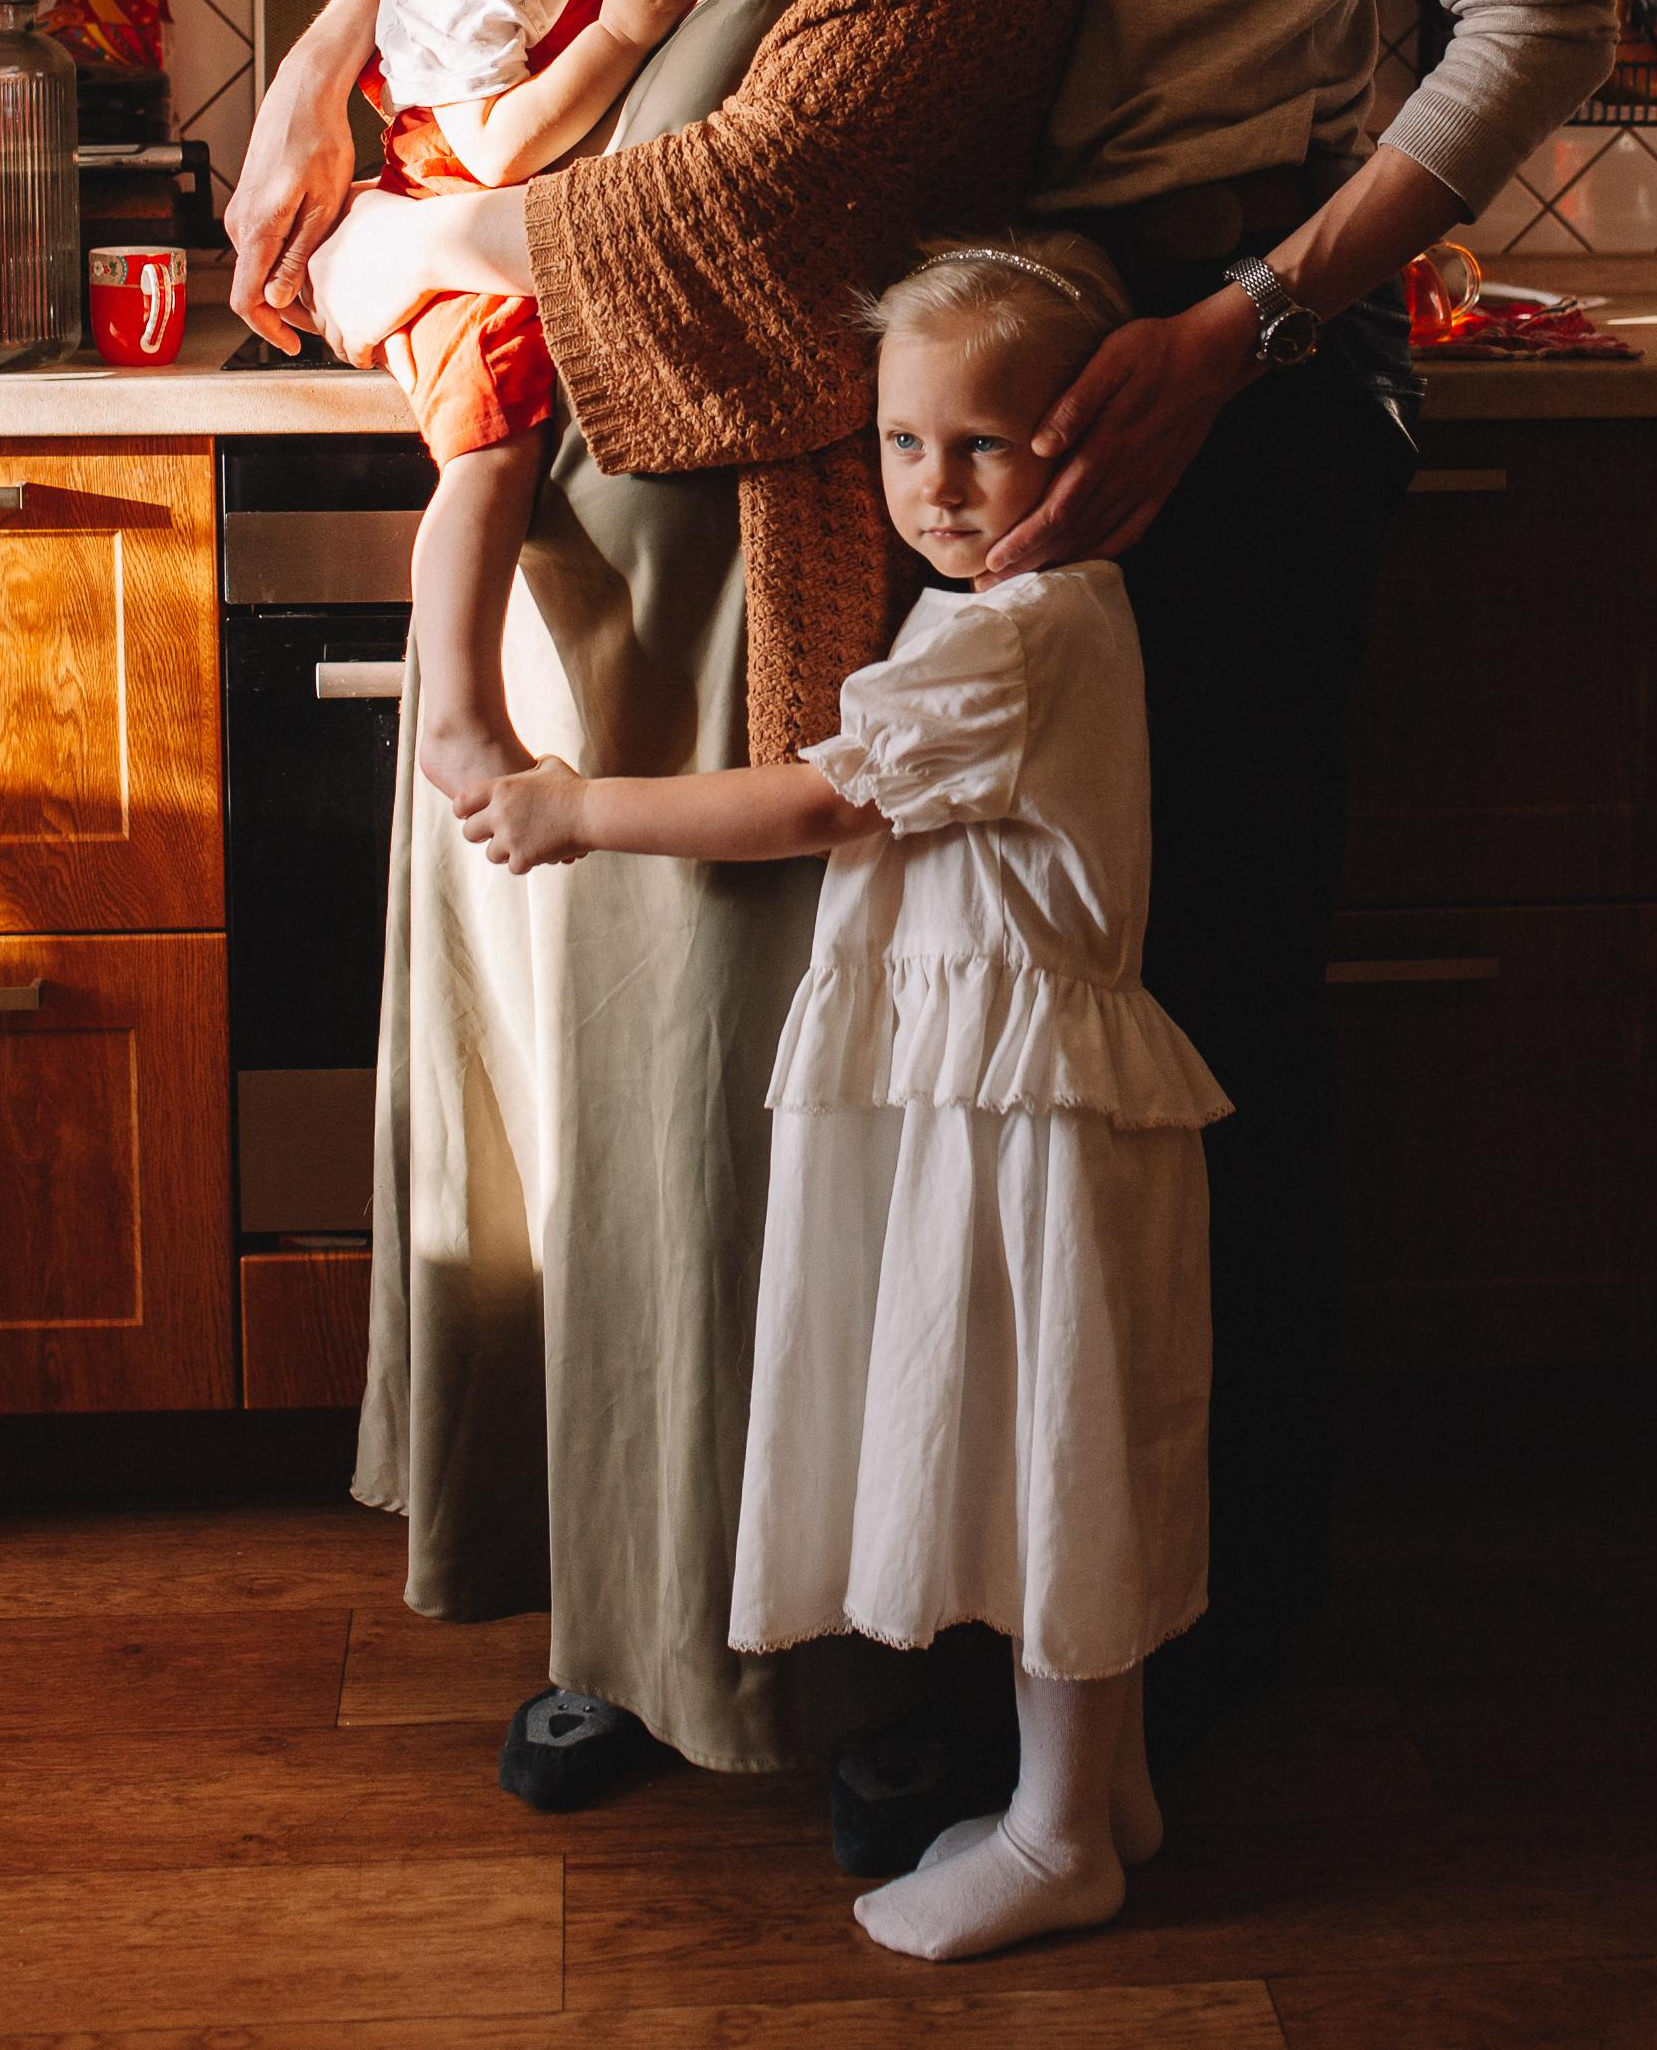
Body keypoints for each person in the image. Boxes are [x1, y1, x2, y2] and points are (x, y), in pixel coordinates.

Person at [818, 0, 1617, 1765]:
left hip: (1227, 362)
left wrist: (1250, 318)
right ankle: (975, 1637)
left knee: (1187, 1045)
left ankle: (1202, 1643)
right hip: (969, 363)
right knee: (965, 1039)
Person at [254, 0, 1082, 1794]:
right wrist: (327, 97)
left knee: (732, 1145)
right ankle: (615, 1626)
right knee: (585, 1151)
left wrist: (402, 217)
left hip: (752, 610)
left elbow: (737, 229)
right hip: (567, 612)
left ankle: (805, 1678)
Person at [467, 232, 1228, 1963]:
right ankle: (1089, 1794)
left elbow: (820, 806)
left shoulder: (1015, 639)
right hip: (994, 1098)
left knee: (1050, 1479)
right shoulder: (1001, 615)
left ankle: (1059, 1839)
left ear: (1078, 449)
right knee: (1039, 1462)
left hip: (1026, 1119)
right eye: (901, 442)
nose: (932, 484)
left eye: (980, 443)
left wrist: (579, 811)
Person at [357, 0, 775, 803]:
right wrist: (625, 26)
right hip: (457, 252)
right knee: (491, 451)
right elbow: (495, 145)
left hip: (553, 251)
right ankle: (460, 709)